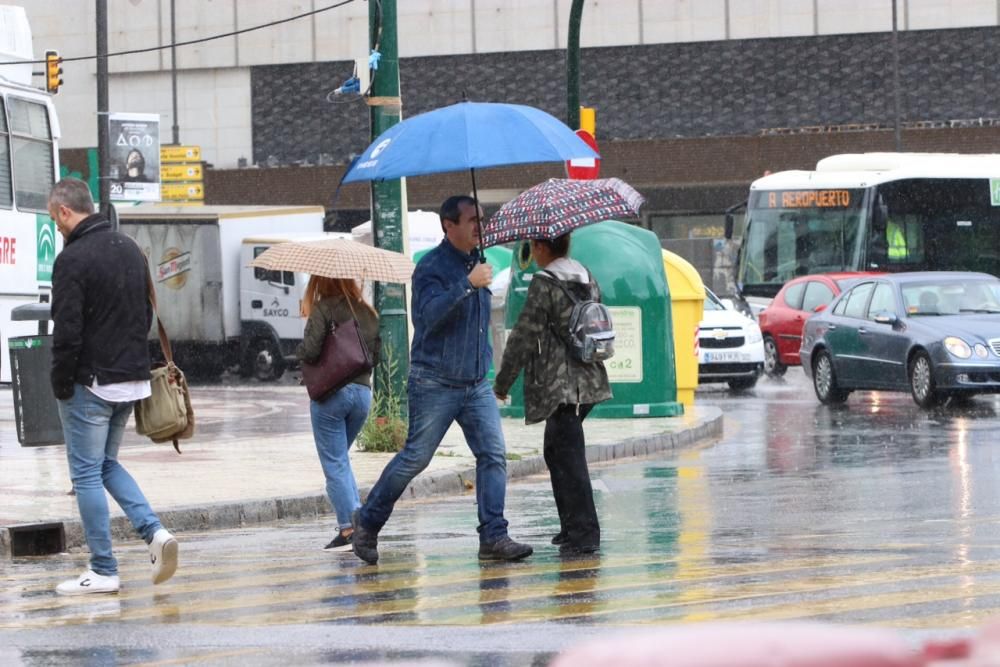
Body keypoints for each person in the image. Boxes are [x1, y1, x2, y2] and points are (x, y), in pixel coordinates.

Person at [351, 195, 533, 564]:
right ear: (448, 226)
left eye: (481, 219)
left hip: (475, 383)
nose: (479, 227)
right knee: (415, 458)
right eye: (471, 221)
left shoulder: (479, 263)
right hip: (435, 381)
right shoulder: (431, 267)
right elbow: (429, 316)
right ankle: (367, 523)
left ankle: (494, 536)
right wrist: (467, 284)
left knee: (493, 455)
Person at [48, 177, 178, 595]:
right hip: (132, 380)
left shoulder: (73, 258)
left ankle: (103, 568)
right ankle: (154, 532)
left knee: (85, 473)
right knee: (105, 465)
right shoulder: (130, 249)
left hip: (92, 382)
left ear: (66, 211)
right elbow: (143, 316)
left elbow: (67, 330)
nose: (57, 227)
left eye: (55, 219)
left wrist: (61, 381)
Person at [493, 234, 612, 555]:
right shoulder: (586, 276)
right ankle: (571, 527)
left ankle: (585, 534)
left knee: (569, 457)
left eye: (534, 247)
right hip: (589, 378)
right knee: (556, 451)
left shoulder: (545, 283)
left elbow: (523, 335)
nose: (532, 253)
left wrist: (502, 383)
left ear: (543, 248)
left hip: (562, 386)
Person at [296, 276, 379, 551]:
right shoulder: (367, 310)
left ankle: (351, 527)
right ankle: (357, 521)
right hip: (362, 395)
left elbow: (310, 351)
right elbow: (375, 354)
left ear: (320, 282)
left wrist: (306, 332)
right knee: (340, 461)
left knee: (334, 463)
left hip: (331, 394)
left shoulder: (323, 307)